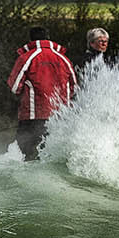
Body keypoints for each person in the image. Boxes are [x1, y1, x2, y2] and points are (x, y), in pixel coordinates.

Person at [6, 26, 75, 159]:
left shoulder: (26, 58)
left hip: (32, 116)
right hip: (59, 117)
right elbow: (74, 87)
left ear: (31, 39)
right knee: (52, 156)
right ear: (48, 38)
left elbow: (14, 87)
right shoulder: (63, 59)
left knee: (25, 155)